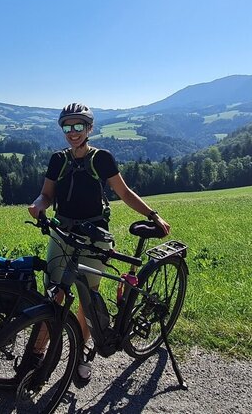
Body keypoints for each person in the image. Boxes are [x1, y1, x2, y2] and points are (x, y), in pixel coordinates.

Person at [27, 102, 170, 386]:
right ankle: (36, 355)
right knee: (52, 297)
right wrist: (38, 205)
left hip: (94, 238)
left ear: (89, 128)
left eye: (78, 126)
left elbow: (124, 192)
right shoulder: (58, 159)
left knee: (86, 299)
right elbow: (46, 195)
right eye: (67, 127)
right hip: (62, 234)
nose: (73, 132)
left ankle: (79, 355)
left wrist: (153, 215)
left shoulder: (101, 158)